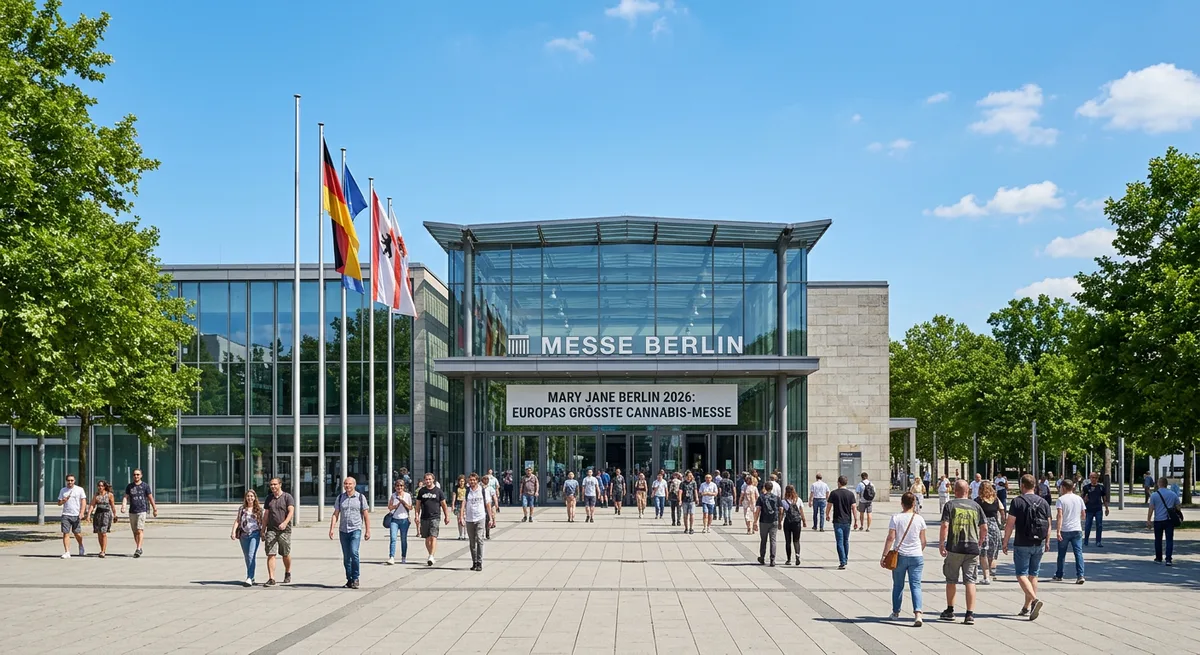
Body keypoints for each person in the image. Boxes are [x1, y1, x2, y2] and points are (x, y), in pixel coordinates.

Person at [938, 480, 986, 625]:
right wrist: (980, 541)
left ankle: (950, 610)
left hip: (955, 547)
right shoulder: (976, 506)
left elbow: (945, 525)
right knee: (970, 580)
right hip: (972, 548)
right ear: (968, 491)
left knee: (951, 579)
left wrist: (942, 543)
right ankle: (969, 614)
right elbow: (984, 527)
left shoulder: (950, 505)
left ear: (955, 490)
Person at [1003, 474, 1051, 620]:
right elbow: (1048, 524)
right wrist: (1047, 541)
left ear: (1022, 485)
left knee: (1021, 574)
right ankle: (1027, 607)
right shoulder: (1043, 502)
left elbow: (1010, 524)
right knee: (1033, 575)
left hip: (1022, 542)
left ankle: (1034, 600)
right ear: (1034, 485)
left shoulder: (1017, 502)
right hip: (1039, 543)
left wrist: (1005, 541)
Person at [882, 491, 927, 627]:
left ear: (902, 503)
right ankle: (918, 614)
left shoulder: (896, 518)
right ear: (914, 503)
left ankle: (896, 612)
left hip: (900, 556)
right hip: (916, 556)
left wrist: (884, 555)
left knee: (898, 585)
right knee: (916, 585)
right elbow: (923, 541)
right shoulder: (919, 519)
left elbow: (891, 538)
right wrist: (918, 550)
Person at [329, 476, 370, 589]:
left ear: (354, 485)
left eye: (350, 484)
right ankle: (349, 579)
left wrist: (368, 530)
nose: (347, 486)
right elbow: (336, 513)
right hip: (343, 530)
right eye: (346, 484)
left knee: (354, 552)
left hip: (355, 529)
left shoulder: (361, 498)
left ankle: (356, 577)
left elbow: (366, 515)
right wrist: (332, 528)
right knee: (346, 556)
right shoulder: (341, 497)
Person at [459, 472, 496, 571]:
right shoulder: (467, 491)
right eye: (470, 480)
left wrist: (491, 518)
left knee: (480, 539)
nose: (472, 481)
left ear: (477, 481)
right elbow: (463, 505)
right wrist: (461, 517)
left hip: (480, 518)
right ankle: (474, 562)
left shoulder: (483, 491)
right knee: (472, 542)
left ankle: (479, 562)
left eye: (474, 480)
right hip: (469, 519)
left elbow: (488, 504)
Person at [262, 477, 295, 586]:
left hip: (285, 530)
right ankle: (271, 578)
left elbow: (291, 511)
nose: (273, 487)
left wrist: (285, 523)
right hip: (271, 529)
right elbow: (266, 515)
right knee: (271, 553)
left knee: (285, 553)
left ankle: (288, 572)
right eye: (271, 485)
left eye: (275, 484)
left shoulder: (287, 497)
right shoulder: (269, 498)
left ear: (280, 485)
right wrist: (263, 530)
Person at [1053, 478, 1086, 584]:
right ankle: (1080, 575)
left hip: (1065, 530)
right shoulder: (1079, 499)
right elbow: (1083, 515)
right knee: (1078, 553)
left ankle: (1059, 574)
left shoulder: (1061, 500)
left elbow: (1060, 515)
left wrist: (1058, 531)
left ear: (1063, 487)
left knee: (1062, 554)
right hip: (1077, 529)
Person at [415, 472, 450, 566]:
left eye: (430, 479)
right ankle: (430, 553)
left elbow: (444, 505)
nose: (428, 481)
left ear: (433, 480)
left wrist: (447, 516)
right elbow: (418, 505)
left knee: (433, 536)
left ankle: (431, 556)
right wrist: (416, 515)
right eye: (426, 479)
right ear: (424, 480)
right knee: (427, 538)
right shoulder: (421, 491)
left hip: (435, 517)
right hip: (424, 517)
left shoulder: (438, 491)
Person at [121, 468, 157, 558]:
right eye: (134, 474)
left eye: (138, 474)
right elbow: (126, 497)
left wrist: (154, 509)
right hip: (132, 511)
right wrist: (123, 506)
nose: (136, 476)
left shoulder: (145, 486)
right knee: (134, 531)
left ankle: (138, 548)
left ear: (141, 475)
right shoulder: (129, 486)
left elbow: (150, 497)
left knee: (139, 530)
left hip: (142, 510)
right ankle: (139, 548)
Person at [231, 489, 263, 586]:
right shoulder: (242, 509)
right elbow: (238, 520)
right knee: (247, 557)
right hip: (243, 535)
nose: (250, 498)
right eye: (248, 496)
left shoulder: (259, 509)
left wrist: (263, 533)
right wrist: (233, 532)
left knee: (251, 555)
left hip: (254, 534)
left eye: (251, 496)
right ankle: (252, 577)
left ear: (255, 497)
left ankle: (249, 577)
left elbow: (262, 522)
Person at [976, 481, 1005, 584]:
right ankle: (992, 574)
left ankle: (986, 576)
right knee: (993, 552)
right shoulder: (996, 500)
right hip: (994, 526)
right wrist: (1002, 522)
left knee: (983, 553)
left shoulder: (978, 501)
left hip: (983, 527)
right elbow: (1002, 509)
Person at [1148, 476, 1180, 566]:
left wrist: (1148, 520)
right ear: (1166, 484)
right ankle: (1168, 559)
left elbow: (1151, 508)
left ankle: (1158, 558)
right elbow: (1178, 506)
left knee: (1158, 540)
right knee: (1169, 540)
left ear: (1159, 483)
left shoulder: (1154, 495)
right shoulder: (1173, 494)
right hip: (1169, 520)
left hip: (1158, 520)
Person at [827, 475, 856, 570]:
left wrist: (827, 514)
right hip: (847, 520)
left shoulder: (834, 493)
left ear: (839, 482)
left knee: (839, 541)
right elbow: (854, 508)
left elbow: (829, 506)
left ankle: (842, 561)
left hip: (838, 520)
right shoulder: (851, 494)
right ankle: (845, 559)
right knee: (846, 540)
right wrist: (856, 520)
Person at [57, 474, 87, 558]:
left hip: (76, 514)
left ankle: (81, 545)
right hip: (66, 514)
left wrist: (82, 512)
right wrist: (63, 501)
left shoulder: (79, 489)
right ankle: (67, 551)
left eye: (72, 480)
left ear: (74, 481)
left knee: (77, 533)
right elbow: (59, 503)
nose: (70, 482)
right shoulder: (63, 490)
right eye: (68, 480)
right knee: (65, 533)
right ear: (66, 481)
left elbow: (83, 501)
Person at [754, 481, 782, 565]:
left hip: (764, 521)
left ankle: (762, 557)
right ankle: (772, 559)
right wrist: (780, 520)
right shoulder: (776, 498)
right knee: (773, 540)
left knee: (763, 540)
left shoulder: (761, 497)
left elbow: (758, 510)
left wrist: (755, 521)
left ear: (765, 488)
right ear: (772, 488)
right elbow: (781, 509)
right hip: (774, 520)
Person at [387, 479, 413, 564]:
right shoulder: (393, 496)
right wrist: (396, 505)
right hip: (394, 519)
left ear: (404, 487)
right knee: (393, 538)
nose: (399, 487)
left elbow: (410, 507)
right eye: (397, 486)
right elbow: (390, 507)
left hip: (404, 519)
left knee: (403, 539)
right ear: (395, 487)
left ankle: (403, 557)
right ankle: (391, 557)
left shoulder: (407, 495)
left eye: (401, 486)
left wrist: (403, 501)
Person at [88, 480, 116, 558]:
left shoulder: (109, 495)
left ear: (104, 487)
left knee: (103, 533)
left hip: (106, 514)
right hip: (98, 514)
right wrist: (89, 515)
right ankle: (101, 549)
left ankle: (103, 551)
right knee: (99, 532)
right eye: (99, 486)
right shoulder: (96, 495)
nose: (100, 487)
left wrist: (115, 515)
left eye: (102, 486)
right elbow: (92, 505)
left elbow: (112, 505)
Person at [781, 484, 807, 565]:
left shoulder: (783, 501)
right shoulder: (798, 500)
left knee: (788, 541)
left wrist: (779, 522)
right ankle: (797, 556)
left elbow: (781, 513)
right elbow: (801, 511)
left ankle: (788, 559)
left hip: (787, 522)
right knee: (796, 540)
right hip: (797, 522)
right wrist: (804, 520)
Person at [1081, 472, 1109, 547]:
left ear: (1097, 478)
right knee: (1087, 525)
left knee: (1099, 525)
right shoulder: (1086, 487)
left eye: (1095, 478)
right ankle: (1086, 540)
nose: (1094, 479)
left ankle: (1098, 541)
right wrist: (1084, 501)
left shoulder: (1101, 487)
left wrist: (1106, 508)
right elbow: (1082, 499)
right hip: (1089, 509)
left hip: (1098, 509)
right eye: (1092, 477)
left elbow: (1104, 498)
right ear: (1090, 478)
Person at [453, 475, 468, 540]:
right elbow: (454, 496)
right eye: (460, 481)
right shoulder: (456, 488)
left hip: (465, 505)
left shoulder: (467, 488)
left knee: (465, 519)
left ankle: (465, 534)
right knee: (459, 520)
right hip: (458, 504)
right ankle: (460, 534)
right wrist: (453, 505)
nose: (461, 482)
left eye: (463, 481)